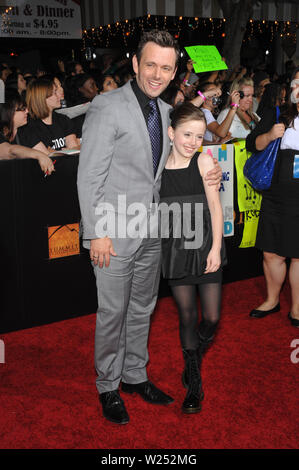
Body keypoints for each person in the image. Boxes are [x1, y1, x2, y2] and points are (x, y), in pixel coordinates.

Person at [77, 30, 222, 425]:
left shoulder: (163, 110)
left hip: (151, 232)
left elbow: (170, 164)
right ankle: (107, 384)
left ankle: (134, 375)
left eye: (167, 67)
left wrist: (210, 171)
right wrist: (96, 233)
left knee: (143, 307)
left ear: (175, 71)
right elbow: (89, 177)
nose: (158, 73)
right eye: (152, 64)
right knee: (113, 312)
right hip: (112, 234)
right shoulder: (107, 106)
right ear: (136, 64)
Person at [159, 103, 226, 413]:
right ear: (171, 132)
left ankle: (193, 358)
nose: (192, 142)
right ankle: (194, 386)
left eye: (199, 136)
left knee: (211, 318)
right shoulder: (156, 167)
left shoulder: (204, 161)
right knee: (187, 316)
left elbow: (215, 208)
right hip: (174, 247)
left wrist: (215, 248)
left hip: (206, 245)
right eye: (187, 134)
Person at [246, 67, 299, 328]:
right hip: (276, 194)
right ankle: (271, 299)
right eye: (296, 84)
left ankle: (298, 308)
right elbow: (251, 144)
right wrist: (269, 135)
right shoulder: (277, 114)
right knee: (271, 253)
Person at [18, 77, 78, 153]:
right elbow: (47, 157)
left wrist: (56, 152)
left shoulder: (63, 120)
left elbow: (74, 151)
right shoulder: (29, 126)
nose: (59, 96)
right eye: (54, 93)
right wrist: (64, 151)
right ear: (42, 98)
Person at [0, 93, 54, 174]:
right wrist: (38, 155)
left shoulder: (24, 131)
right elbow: (10, 151)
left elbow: (46, 154)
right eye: (23, 108)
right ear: (9, 112)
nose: (27, 111)